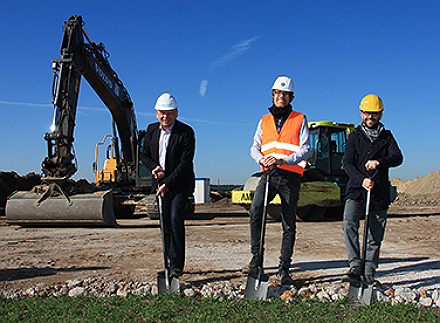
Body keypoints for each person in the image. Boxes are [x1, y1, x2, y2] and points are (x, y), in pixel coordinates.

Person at [243, 76, 310, 285]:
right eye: (277, 93)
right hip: (268, 175)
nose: (280, 96)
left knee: (288, 223)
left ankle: (284, 268)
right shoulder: (264, 120)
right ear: (273, 95)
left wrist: (285, 159)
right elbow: (254, 147)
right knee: (256, 213)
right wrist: (260, 158)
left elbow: (306, 149)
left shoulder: (300, 118)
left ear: (291, 97)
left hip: (290, 178)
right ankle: (256, 261)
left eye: (285, 94)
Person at [342, 94, 403, 286]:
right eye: (367, 113)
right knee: (349, 224)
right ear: (361, 113)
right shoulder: (354, 137)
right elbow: (347, 164)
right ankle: (355, 266)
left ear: (381, 114)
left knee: (374, 234)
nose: (371, 116)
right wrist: (361, 181)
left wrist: (379, 162)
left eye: (375, 113)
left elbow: (398, 157)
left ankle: (369, 271)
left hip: (379, 193)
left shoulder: (387, 136)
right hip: (356, 190)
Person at [140, 93, 195, 277]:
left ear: (176, 113)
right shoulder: (151, 130)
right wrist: (154, 167)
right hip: (160, 183)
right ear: (157, 114)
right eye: (162, 113)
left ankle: (177, 266)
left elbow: (185, 163)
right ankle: (168, 262)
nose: (165, 117)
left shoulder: (186, 132)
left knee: (175, 219)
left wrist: (168, 184)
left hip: (180, 183)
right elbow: (144, 155)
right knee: (164, 223)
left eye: (169, 113)